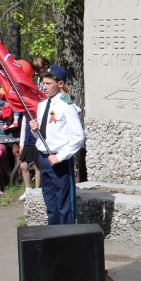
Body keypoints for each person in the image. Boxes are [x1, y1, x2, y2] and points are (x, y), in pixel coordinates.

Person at [29, 65, 84, 225]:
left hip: (59, 160)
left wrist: (60, 156)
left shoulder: (67, 105)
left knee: (64, 203)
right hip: (44, 157)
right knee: (50, 202)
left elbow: (78, 136)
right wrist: (34, 130)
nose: (44, 87)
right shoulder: (42, 105)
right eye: (43, 83)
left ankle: (66, 236)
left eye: (48, 83)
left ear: (60, 84)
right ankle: (53, 233)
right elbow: (44, 134)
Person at [18, 112, 40, 200]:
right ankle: (28, 189)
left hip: (37, 141)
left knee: (37, 166)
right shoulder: (25, 113)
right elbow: (23, 128)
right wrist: (21, 144)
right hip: (27, 141)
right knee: (23, 166)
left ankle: (38, 189)